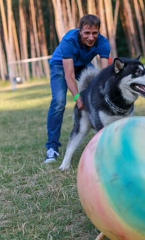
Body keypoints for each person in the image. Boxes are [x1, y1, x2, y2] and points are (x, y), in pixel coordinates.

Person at [45, 14, 111, 163]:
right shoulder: (69, 41)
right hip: (60, 65)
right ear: (80, 31)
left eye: (95, 33)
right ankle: (52, 148)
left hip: (82, 64)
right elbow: (69, 75)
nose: (91, 37)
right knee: (59, 102)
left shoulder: (104, 43)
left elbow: (104, 75)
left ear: (98, 32)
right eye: (87, 33)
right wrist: (77, 98)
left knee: (97, 89)